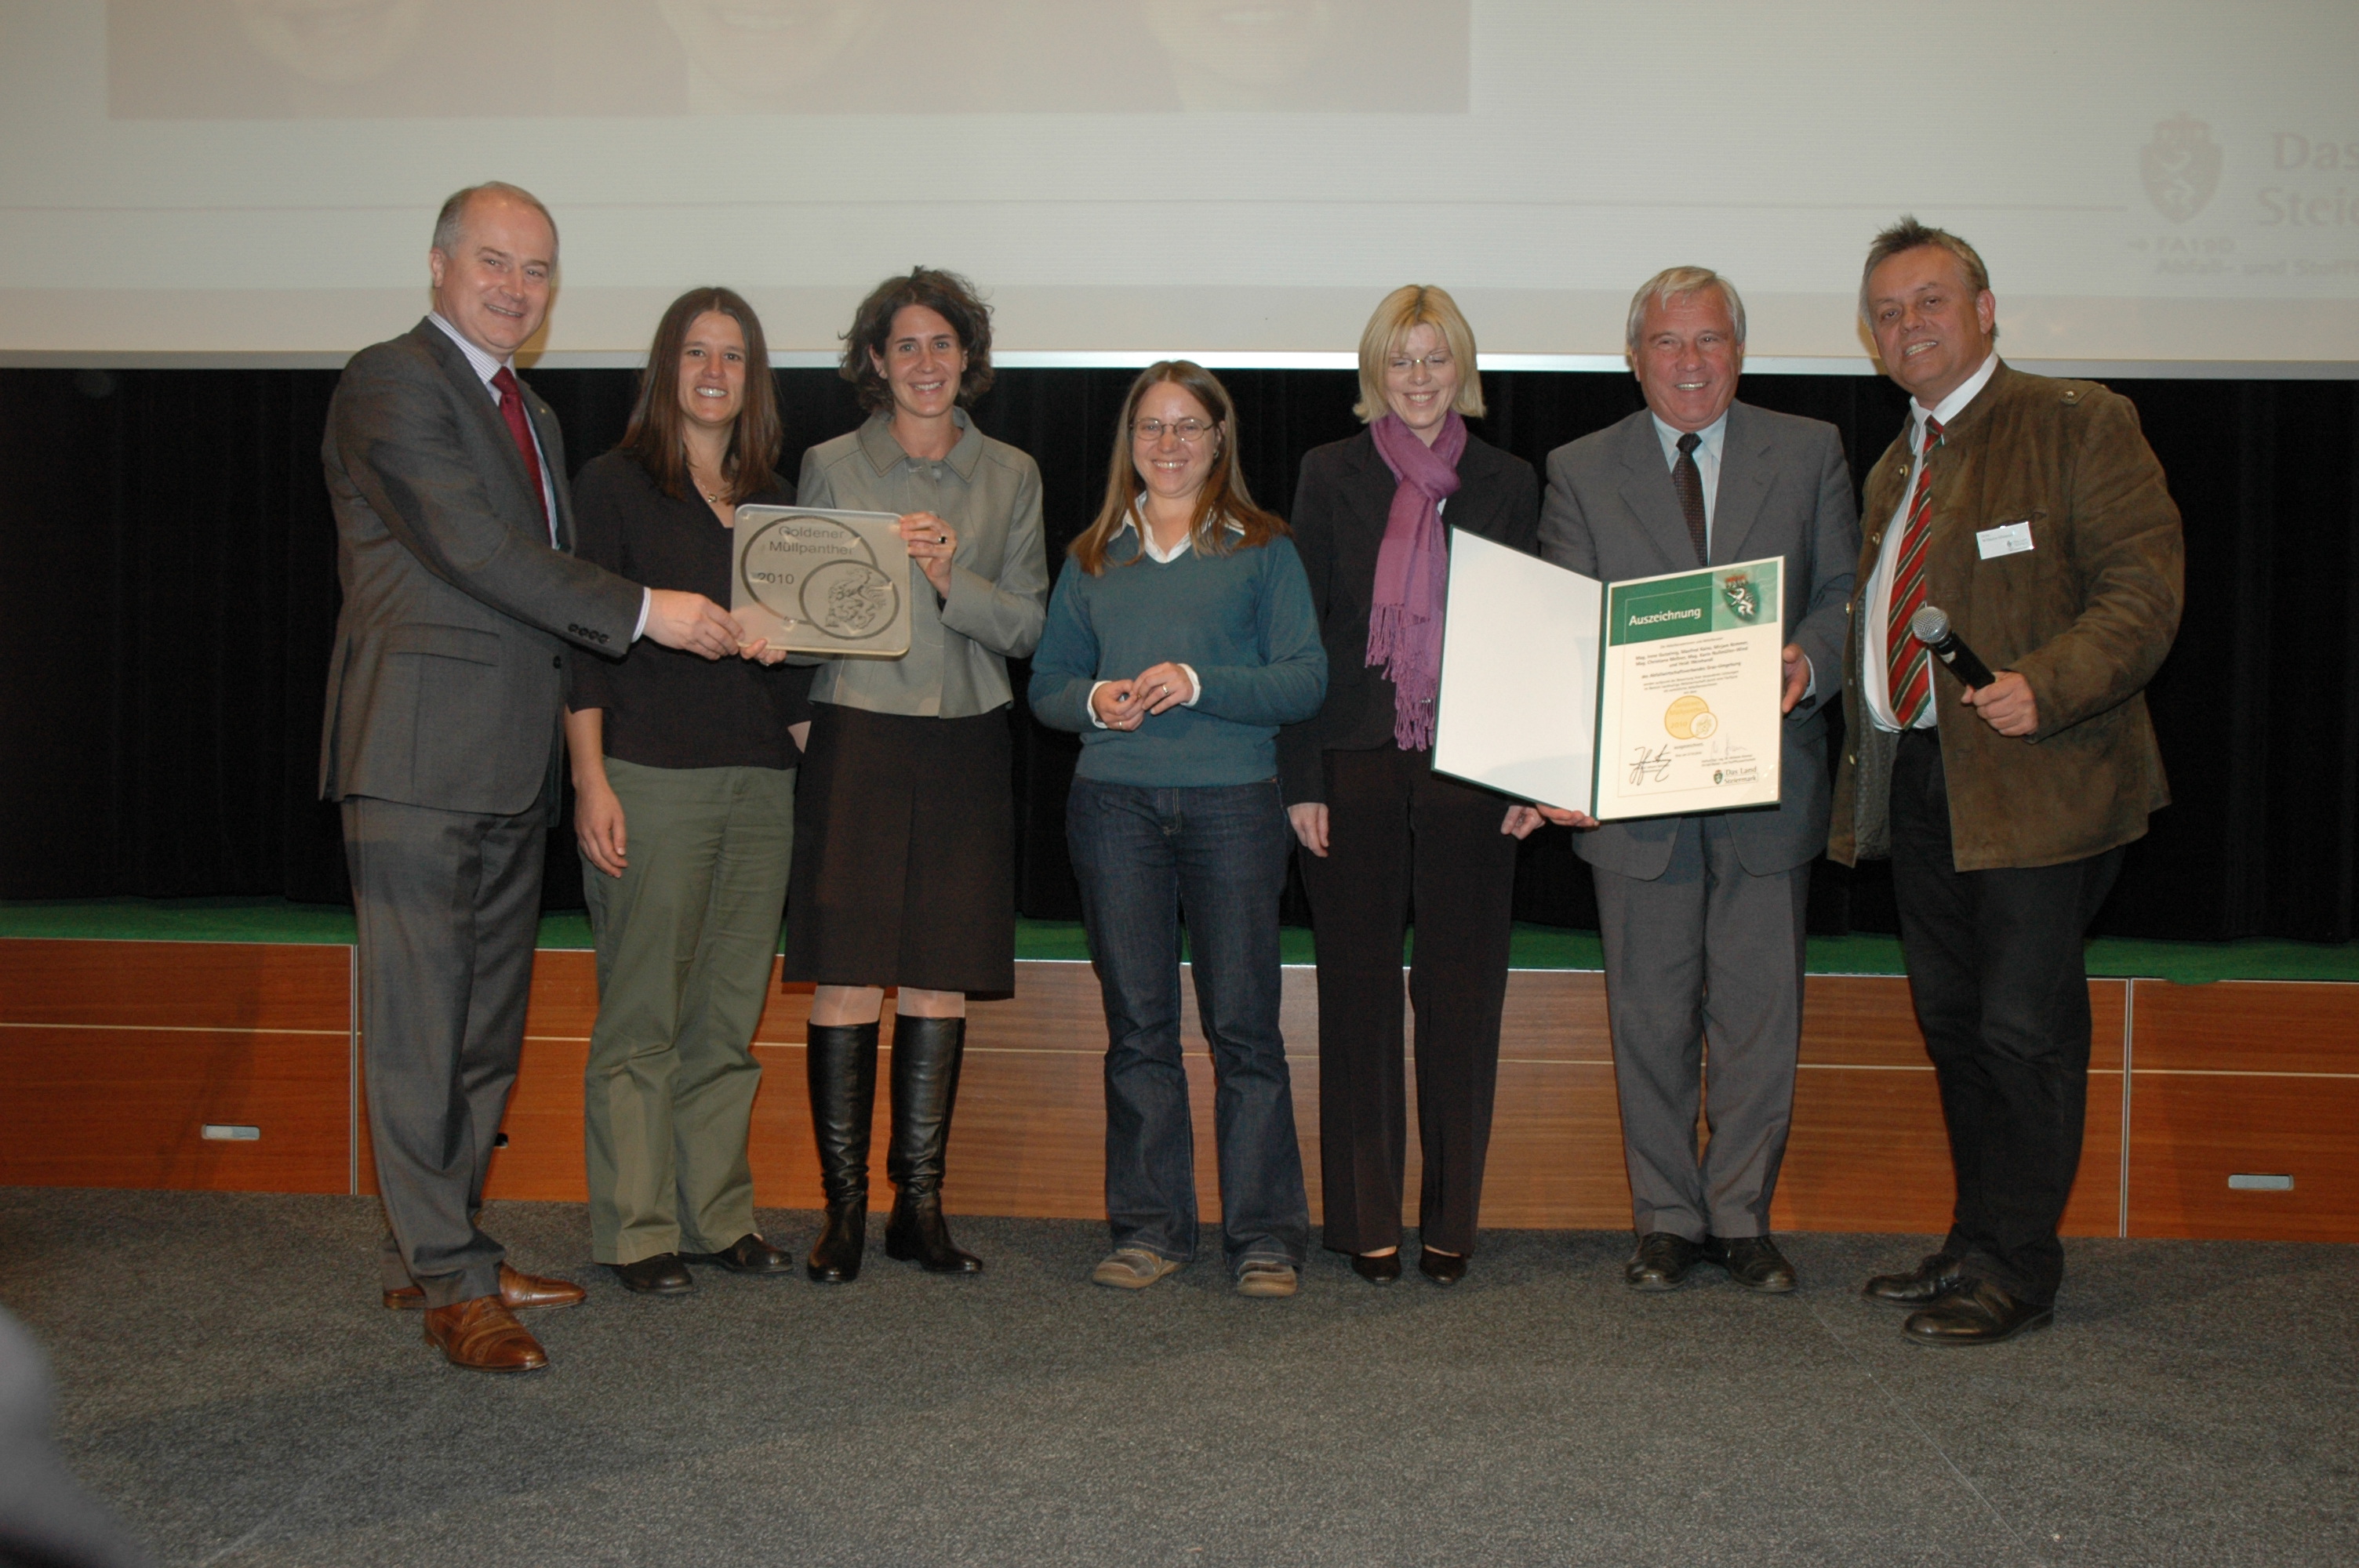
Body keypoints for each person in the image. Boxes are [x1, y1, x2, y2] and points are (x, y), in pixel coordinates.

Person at [320, 182, 745, 1372]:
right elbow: (476, 550)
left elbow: (542, 594)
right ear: (440, 265)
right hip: (413, 755)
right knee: (419, 1031)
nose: (516, 288)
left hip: (510, 764)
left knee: (481, 1036)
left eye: (539, 270)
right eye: (495, 263)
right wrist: (654, 610)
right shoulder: (389, 382)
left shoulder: (539, 418)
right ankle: (452, 1284)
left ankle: (444, 1245)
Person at [1835, 219, 2182, 1345]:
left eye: (1930, 301)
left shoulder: (2078, 423)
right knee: (1958, 1027)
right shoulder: (1899, 463)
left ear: (1985, 310)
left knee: (2026, 1032)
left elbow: (2143, 590)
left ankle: (2019, 1270)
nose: (1908, 325)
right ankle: (1975, 1241)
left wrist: (2055, 682)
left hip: (2043, 783)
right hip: (1928, 786)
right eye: (1887, 312)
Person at [1538, 267, 1859, 1297]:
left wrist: (1811, 661)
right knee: (1649, 1016)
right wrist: (1559, 762)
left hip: (1770, 785)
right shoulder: (1579, 468)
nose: (1690, 362)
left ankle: (1742, 1218)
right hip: (1637, 799)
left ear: (1739, 351)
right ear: (1634, 359)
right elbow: (1565, 630)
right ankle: (1667, 1221)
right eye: (1668, 344)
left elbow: (1848, 590)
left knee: (1763, 1020)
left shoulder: (1809, 451)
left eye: (1711, 340)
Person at [1030, 361, 1327, 1298]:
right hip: (1112, 806)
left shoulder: (1265, 548)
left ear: (1218, 439)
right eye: (1151, 427)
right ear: (1129, 442)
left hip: (1233, 805)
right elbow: (1044, 688)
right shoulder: (1090, 557)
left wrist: (1199, 682)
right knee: (1138, 1029)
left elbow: (1303, 679)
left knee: (1244, 1028)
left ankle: (1265, 1236)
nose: (1168, 444)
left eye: (1187, 427)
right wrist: (1094, 697)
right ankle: (1152, 1225)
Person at [783, 267, 1048, 1283]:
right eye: (907, 347)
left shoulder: (1011, 474)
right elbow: (797, 607)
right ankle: (843, 1213)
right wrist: (799, 716)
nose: (927, 364)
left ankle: (918, 1209)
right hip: (855, 732)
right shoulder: (830, 464)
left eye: (944, 345)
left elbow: (1029, 623)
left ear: (967, 361)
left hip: (965, 734)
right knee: (848, 970)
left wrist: (951, 579)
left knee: (940, 971)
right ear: (876, 362)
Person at [1278, 285, 1543, 1288]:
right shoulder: (1329, 472)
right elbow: (1301, 633)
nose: (1419, 377)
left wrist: (1529, 771)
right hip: (1350, 757)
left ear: (1460, 366)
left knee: (1461, 995)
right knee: (1354, 997)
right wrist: (1298, 776)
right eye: (1401, 360)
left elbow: (1526, 632)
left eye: (1435, 359)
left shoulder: (1509, 479)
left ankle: (1449, 1225)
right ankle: (1364, 1221)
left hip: (1469, 768)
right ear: (1374, 373)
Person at [563, 288, 813, 1295]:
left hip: (761, 784)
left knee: (724, 1017)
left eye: (735, 357)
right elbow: (578, 646)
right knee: (642, 1018)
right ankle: (635, 1229)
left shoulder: (779, 500)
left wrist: (816, 778)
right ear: (665, 367)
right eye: (696, 354)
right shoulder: (613, 485)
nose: (714, 373)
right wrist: (589, 781)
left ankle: (718, 1215)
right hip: (648, 778)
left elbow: (797, 678)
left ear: (754, 379)